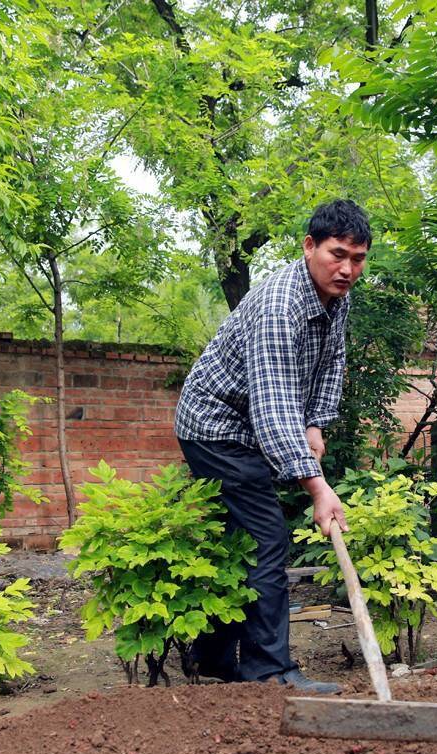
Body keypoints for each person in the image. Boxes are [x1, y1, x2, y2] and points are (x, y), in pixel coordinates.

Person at [173, 199, 370, 694]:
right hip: (216, 428)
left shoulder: (335, 297)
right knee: (267, 539)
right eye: (337, 254)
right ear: (309, 247)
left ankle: (215, 662)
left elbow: (332, 361)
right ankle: (269, 672)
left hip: (249, 425)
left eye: (359, 258)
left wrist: (317, 424)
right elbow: (274, 408)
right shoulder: (280, 306)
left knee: (239, 543)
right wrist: (318, 487)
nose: (347, 269)